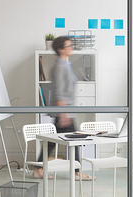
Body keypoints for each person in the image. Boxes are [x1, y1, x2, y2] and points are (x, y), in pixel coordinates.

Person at [33, 36, 93, 181]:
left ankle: (38, 169)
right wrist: (63, 114)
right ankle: (76, 172)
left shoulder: (66, 64)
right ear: (61, 49)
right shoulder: (60, 66)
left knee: (53, 142)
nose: (71, 47)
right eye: (68, 45)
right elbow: (59, 92)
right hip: (64, 111)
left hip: (66, 111)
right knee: (74, 141)